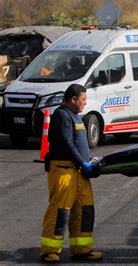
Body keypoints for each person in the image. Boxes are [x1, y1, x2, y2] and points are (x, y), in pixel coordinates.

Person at [39, 84, 102, 263]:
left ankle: (82, 249)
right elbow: (67, 144)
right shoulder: (62, 115)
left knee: (85, 209)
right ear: (73, 99)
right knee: (60, 211)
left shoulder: (75, 116)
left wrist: (87, 163)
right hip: (65, 171)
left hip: (80, 172)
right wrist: (82, 162)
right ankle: (49, 250)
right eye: (83, 99)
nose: (85, 102)